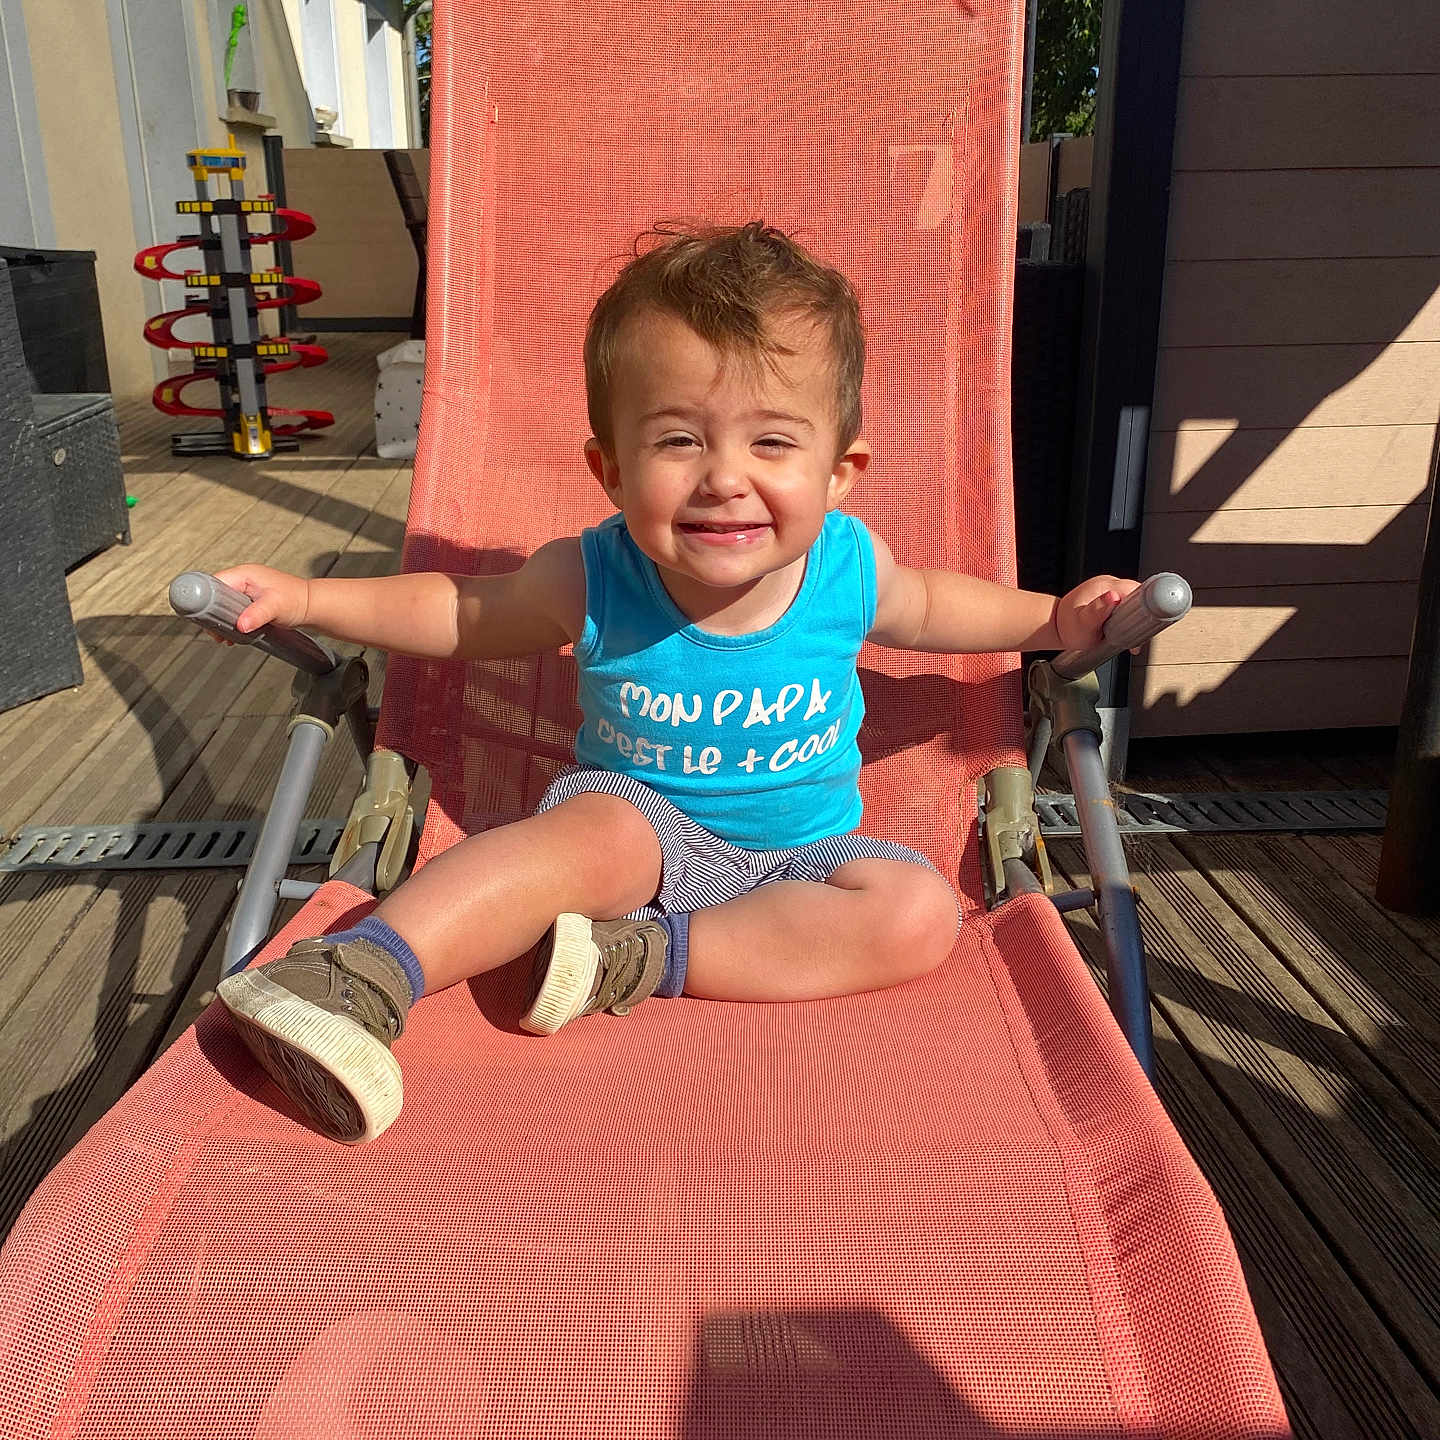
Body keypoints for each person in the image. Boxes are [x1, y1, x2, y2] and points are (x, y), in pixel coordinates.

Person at [212, 222, 1137, 1145]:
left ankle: (633, 961)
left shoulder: (852, 570)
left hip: (804, 861)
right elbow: (463, 611)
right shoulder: (596, 576)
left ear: (839, 473)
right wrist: (310, 596)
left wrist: (1055, 621)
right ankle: (354, 973)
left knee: (920, 914)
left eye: (773, 442)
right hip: (638, 831)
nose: (724, 479)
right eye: (679, 441)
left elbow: (938, 608)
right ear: (610, 470)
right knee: (569, 841)